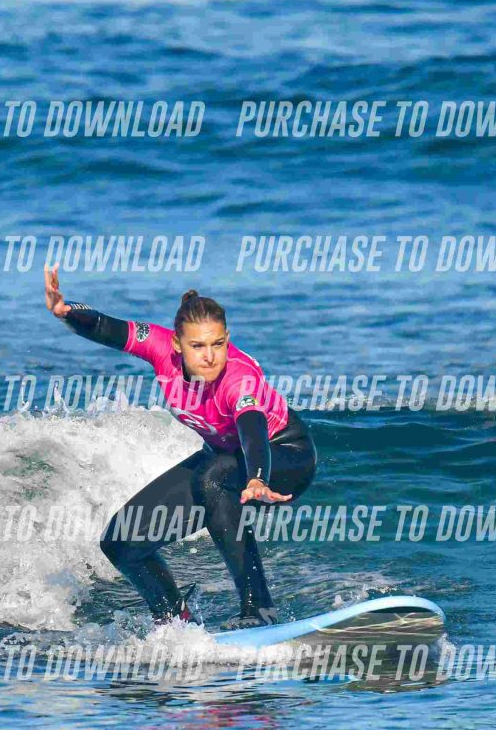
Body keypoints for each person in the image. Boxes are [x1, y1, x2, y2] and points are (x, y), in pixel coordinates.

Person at [46, 265, 316, 630]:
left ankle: (260, 609)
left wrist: (256, 477)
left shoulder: (238, 378)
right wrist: (67, 312)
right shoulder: (160, 349)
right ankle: (174, 619)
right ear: (177, 344)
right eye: (197, 346)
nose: (210, 356)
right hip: (223, 460)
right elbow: (109, 327)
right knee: (120, 541)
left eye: (218, 344)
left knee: (213, 476)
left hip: (283, 455)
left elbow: (252, 428)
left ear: (227, 339)